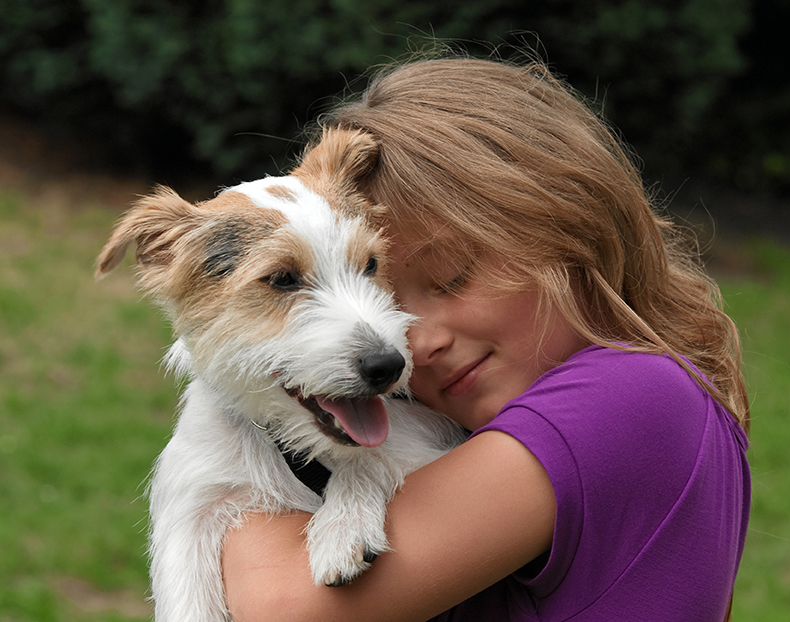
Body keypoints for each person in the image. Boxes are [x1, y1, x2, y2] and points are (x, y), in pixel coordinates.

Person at [221, 54, 751, 622]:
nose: (416, 345)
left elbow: (283, 607)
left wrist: (225, 399)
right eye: (388, 307)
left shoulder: (632, 395)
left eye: (451, 276)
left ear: (566, 224)